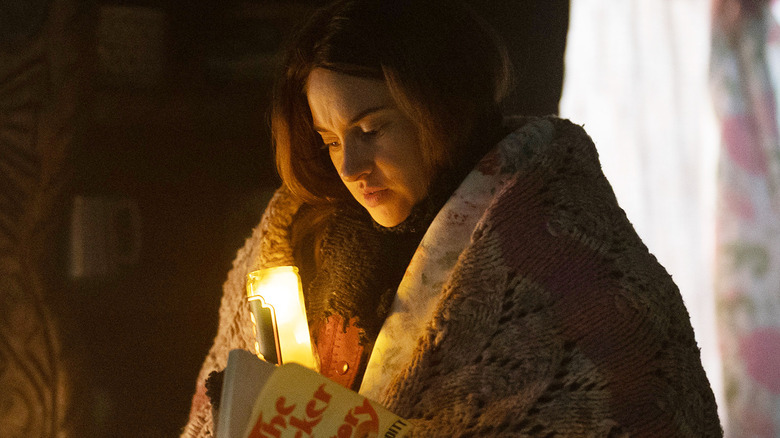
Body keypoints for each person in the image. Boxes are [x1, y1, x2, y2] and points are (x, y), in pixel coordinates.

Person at [182, 0, 722, 436]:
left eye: (371, 130)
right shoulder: (296, 240)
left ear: (441, 106)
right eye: (329, 141)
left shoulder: (569, 262)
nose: (349, 165)